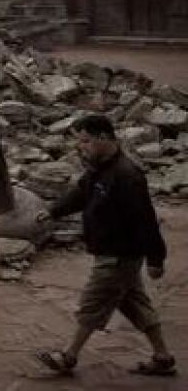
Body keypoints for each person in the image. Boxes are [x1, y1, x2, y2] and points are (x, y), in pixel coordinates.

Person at [35, 113, 175, 377]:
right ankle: (163, 356)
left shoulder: (127, 176)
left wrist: (156, 259)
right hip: (113, 254)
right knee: (134, 304)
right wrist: (53, 211)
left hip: (119, 255)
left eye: (85, 141)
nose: (80, 147)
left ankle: (68, 356)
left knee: (93, 302)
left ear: (103, 137)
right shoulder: (99, 168)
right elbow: (81, 192)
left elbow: (146, 220)